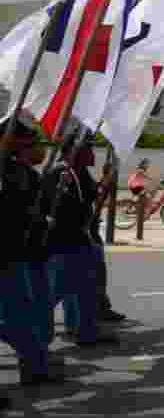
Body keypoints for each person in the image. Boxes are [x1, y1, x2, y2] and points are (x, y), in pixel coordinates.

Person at [41, 134, 119, 347]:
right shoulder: (60, 173)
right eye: (87, 150)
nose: (92, 154)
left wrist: (106, 180)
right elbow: (65, 208)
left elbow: (93, 197)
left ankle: (84, 331)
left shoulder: (80, 173)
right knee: (55, 291)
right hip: (64, 242)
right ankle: (33, 330)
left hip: (80, 240)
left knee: (84, 288)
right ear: (73, 152)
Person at [0, 119, 61, 386]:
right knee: (18, 315)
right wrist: (33, 218)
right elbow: (12, 213)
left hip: (22, 253)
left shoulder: (23, 172)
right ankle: (35, 365)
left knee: (24, 312)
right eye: (29, 143)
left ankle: (35, 365)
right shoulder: (9, 173)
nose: (37, 148)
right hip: (9, 252)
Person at [90, 162, 126, 322]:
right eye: (114, 173)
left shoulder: (101, 186)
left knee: (99, 274)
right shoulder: (97, 186)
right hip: (87, 234)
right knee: (95, 273)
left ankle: (102, 307)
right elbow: (95, 204)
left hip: (92, 232)